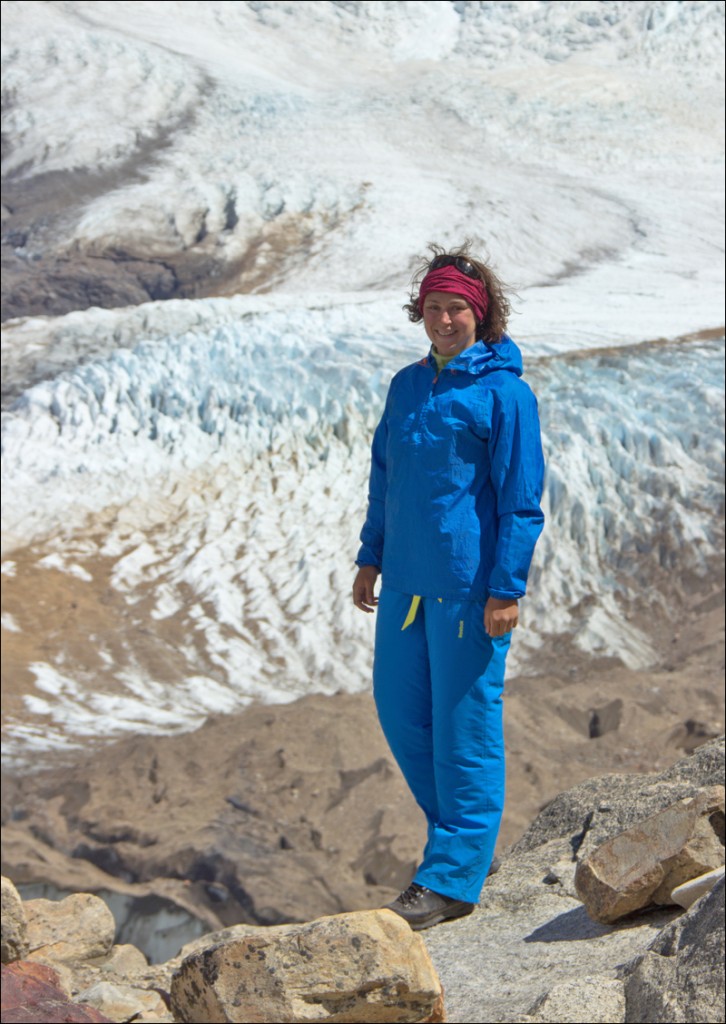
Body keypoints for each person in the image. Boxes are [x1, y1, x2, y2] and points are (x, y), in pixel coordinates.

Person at [352, 243, 545, 930]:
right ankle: (466, 843)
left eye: (455, 308)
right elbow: (386, 475)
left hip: (469, 590)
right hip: (404, 585)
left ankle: (453, 877)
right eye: (433, 308)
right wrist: (369, 556)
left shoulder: (505, 395)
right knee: (404, 718)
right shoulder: (407, 386)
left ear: (480, 313)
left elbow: (521, 501)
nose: (443, 319)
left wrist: (505, 587)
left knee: (464, 729)